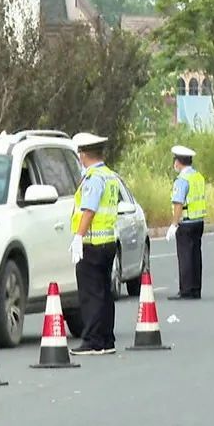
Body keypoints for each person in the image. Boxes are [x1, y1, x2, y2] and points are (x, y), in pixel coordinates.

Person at [69, 132, 120, 356]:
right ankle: (107, 339)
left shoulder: (94, 179)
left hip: (92, 243)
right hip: (108, 241)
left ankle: (93, 340)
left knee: (91, 294)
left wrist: (78, 237)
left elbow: (88, 210)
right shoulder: (110, 176)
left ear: (83, 155)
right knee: (104, 293)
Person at [165, 145, 207, 300]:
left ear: (178, 162)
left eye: (175, 160)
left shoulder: (182, 180)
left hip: (186, 222)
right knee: (196, 255)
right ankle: (196, 288)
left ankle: (186, 290)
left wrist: (174, 225)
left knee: (185, 257)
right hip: (199, 221)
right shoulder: (198, 177)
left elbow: (178, 203)